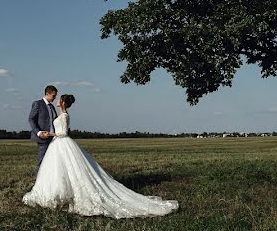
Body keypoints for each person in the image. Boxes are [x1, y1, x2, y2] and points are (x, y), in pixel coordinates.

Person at [22, 93, 179, 218]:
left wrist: (50, 133)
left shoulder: (64, 116)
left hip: (61, 142)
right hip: (58, 144)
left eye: (59, 99)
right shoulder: (62, 114)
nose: (57, 100)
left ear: (62, 103)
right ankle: (57, 194)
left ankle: (62, 195)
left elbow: (63, 133)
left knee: (67, 169)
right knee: (59, 170)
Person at [28, 85, 58, 175]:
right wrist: (39, 132)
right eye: (53, 95)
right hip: (43, 137)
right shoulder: (37, 104)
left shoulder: (52, 107)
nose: (55, 97)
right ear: (47, 94)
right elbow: (31, 119)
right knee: (42, 160)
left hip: (53, 138)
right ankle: (38, 182)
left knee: (52, 161)